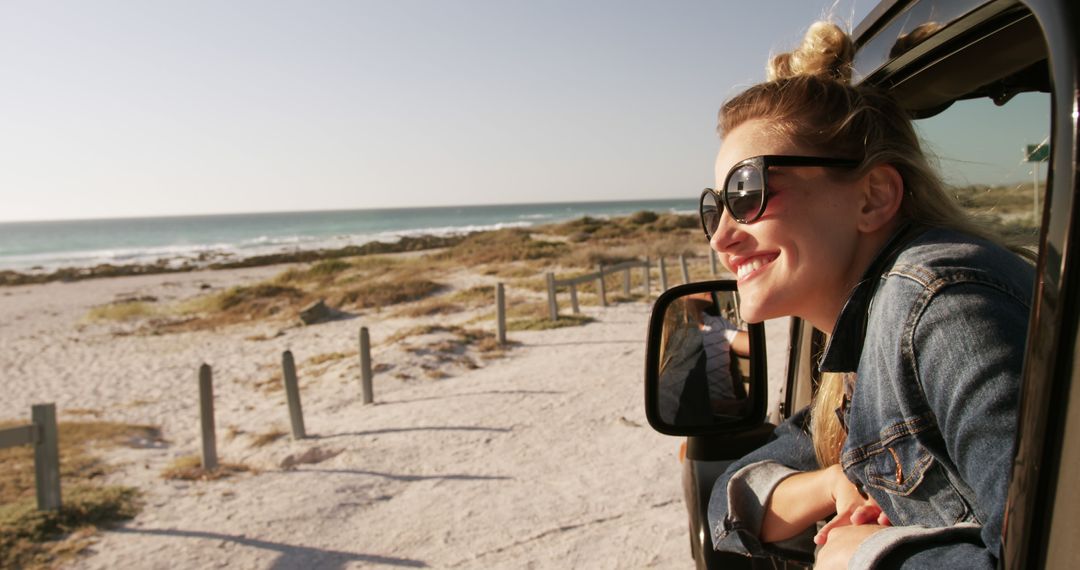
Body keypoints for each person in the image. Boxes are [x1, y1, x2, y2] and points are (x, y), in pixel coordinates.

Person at [699, 22, 1035, 569]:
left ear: (873, 197)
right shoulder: (863, 345)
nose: (721, 236)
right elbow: (729, 499)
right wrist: (830, 483)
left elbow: (1049, 548)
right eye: (715, 206)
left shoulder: (941, 307)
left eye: (747, 192)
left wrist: (862, 557)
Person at [657, 294, 750, 424]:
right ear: (685, 294)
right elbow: (675, 395)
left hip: (731, 416)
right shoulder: (675, 332)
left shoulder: (717, 323)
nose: (711, 290)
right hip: (704, 419)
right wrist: (732, 406)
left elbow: (751, 345)